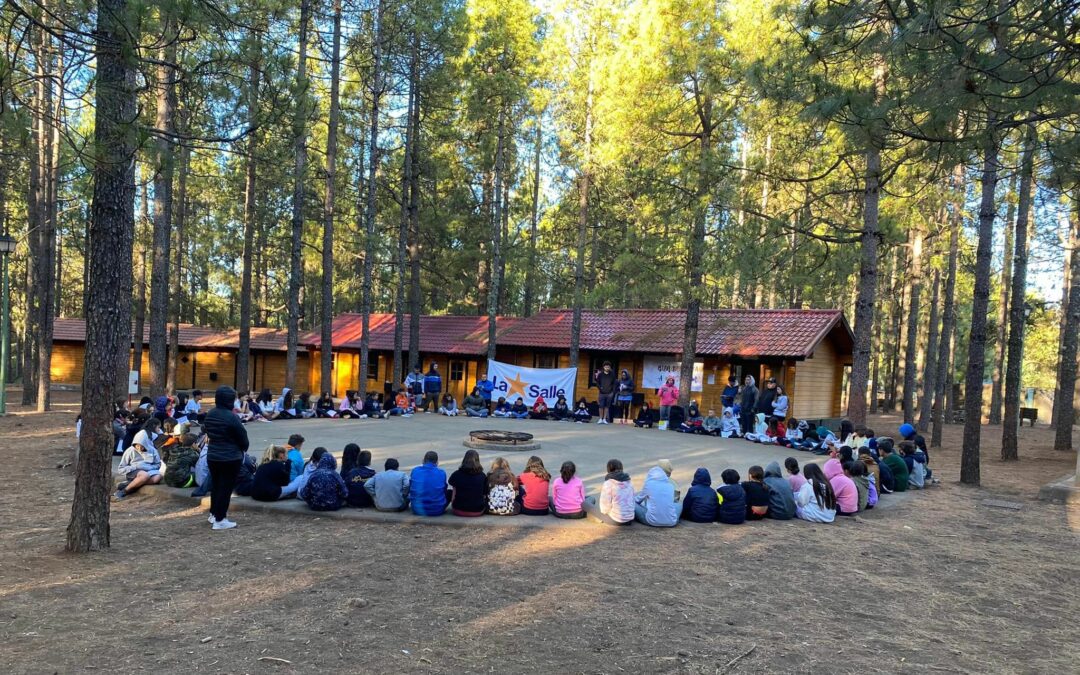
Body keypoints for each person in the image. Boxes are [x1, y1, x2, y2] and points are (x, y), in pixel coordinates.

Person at [202, 386, 250, 530]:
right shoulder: (231, 417)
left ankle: (213, 514)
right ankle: (220, 519)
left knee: (216, 485)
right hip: (230, 457)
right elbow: (243, 438)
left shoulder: (210, 414)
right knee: (226, 488)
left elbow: (207, 431)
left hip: (213, 455)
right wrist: (243, 448)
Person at [115, 420, 164, 499]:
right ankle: (124, 491)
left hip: (149, 471)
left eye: (141, 446)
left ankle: (132, 483)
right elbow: (121, 469)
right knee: (144, 476)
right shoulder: (130, 450)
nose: (139, 448)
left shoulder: (152, 450)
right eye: (137, 445)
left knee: (157, 478)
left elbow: (158, 464)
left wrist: (148, 467)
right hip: (134, 471)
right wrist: (136, 467)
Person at [583, 459, 635, 526]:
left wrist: (603, 514)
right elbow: (633, 501)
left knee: (584, 504)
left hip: (615, 520)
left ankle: (597, 519)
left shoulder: (608, 483)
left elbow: (604, 509)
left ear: (609, 469)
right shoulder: (629, 482)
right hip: (630, 520)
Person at [448, 450, 488, 517]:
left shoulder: (456, 474)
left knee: (449, 492)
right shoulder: (482, 476)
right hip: (478, 511)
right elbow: (484, 493)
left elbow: (454, 491)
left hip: (458, 510)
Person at [409, 450, 449, 515]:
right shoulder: (441, 472)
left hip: (416, 509)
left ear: (423, 461)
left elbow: (410, 486)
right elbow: (444, 489)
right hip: (437, 510)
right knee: (449, 492)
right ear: (437, 462)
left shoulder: (415, 470)